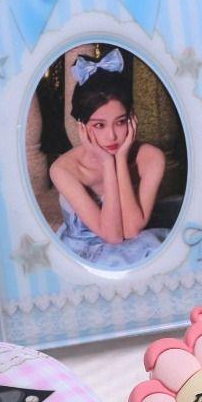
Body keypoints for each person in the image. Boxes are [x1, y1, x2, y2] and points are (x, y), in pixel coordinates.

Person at [50, 53, 168, 269]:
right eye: (99, 125)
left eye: (120, 122)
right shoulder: (63, 169)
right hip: (82, 251)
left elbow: (131, 231)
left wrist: (119, 160)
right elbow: (113, 236)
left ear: (132, 119)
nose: (112, 136)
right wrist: (107, 162)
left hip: (134, 242)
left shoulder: (152, 158)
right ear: (82, 127)